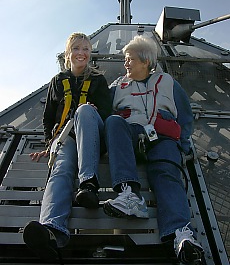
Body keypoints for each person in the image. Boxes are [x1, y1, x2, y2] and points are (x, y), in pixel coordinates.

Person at [103, 35, 204, 264]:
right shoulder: (118, 85)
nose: (125, 63)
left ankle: (181, 235)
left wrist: (184, 145)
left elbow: (185, 115)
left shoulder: (167, 81)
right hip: (131, 133)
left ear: (145, 61)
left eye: (129, 58)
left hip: (163, 137)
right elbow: (101, 108)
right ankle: (129, 194)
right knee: (113, 121)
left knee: (167, 174)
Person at [23, 32, 112, 262]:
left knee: (84, 110)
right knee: (61, 169)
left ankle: (88, 184)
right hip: (66, 139)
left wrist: (90, 112)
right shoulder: (57, 81)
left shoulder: (99, 81)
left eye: (85, 49)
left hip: (92, 137)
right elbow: (48, 118)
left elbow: (107, 114)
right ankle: (52, 231)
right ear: (68, 53)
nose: (81, 53)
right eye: (76, 48)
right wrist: (49, 143)